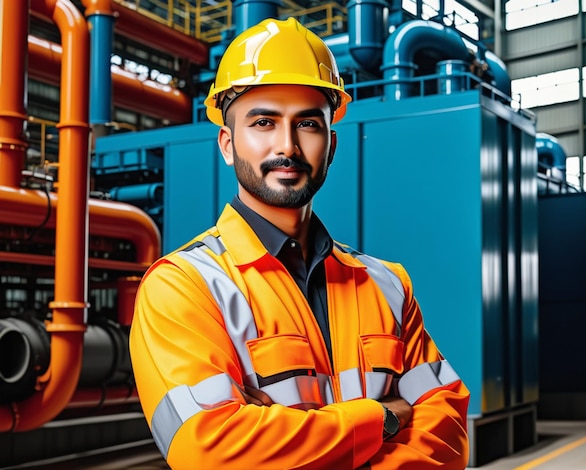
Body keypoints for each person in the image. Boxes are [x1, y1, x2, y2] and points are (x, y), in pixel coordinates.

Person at [129, 17, 470, 469]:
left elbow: (449, 432)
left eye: (307, 123)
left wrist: (283, 431)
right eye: (264, 122)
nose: (286, 146)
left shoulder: (388, 284)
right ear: (228, 144)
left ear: (330, 145)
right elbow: (207, 450)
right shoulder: (184, 287)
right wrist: (383, 417)